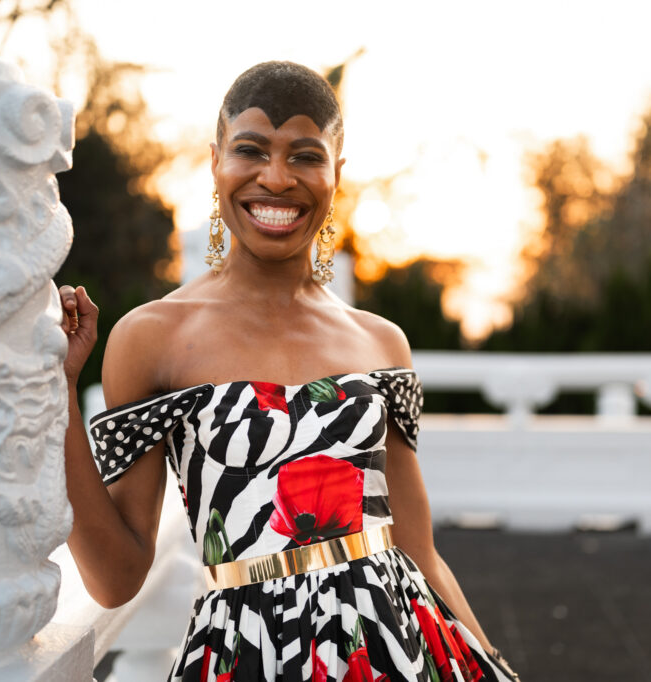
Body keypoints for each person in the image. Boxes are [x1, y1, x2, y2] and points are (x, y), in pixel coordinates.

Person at [60, 61, 520, 682]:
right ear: (215, 160)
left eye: (305, 156)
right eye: (251, 150)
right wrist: (58, 390)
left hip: (395, 653)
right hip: (248, 655)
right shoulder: (151, 338)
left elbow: (420, 552)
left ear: (336, 174)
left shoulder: (381, 342)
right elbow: (116, 579)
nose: (276, 179)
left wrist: (491, 661)